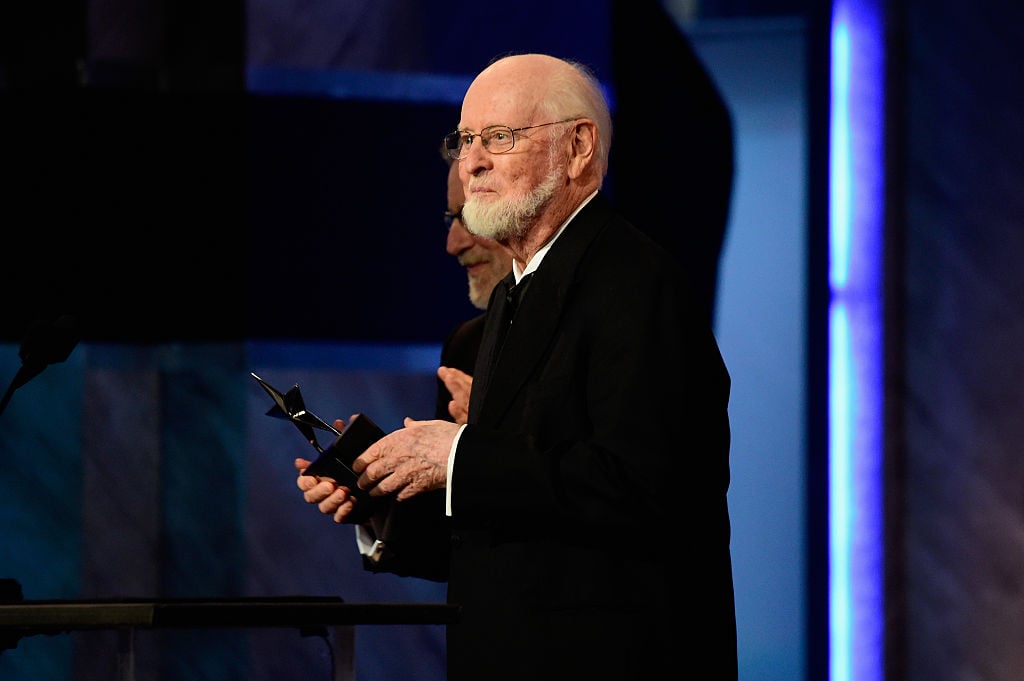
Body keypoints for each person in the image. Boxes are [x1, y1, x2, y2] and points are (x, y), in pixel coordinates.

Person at [296, 53, 737, 680]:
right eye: (466, 138)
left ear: (579, 147)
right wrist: (381, 500)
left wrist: (455, 457)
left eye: (498, 138)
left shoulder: (638, 286)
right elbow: (503, 534)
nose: (471, 160)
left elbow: (643, 490)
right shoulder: (509, 297)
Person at [435, 158, 513, 424]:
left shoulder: (592, 325)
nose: (453, 245)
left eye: (470, 215)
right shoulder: (464, 345)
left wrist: (491, 437)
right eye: (452, 219)